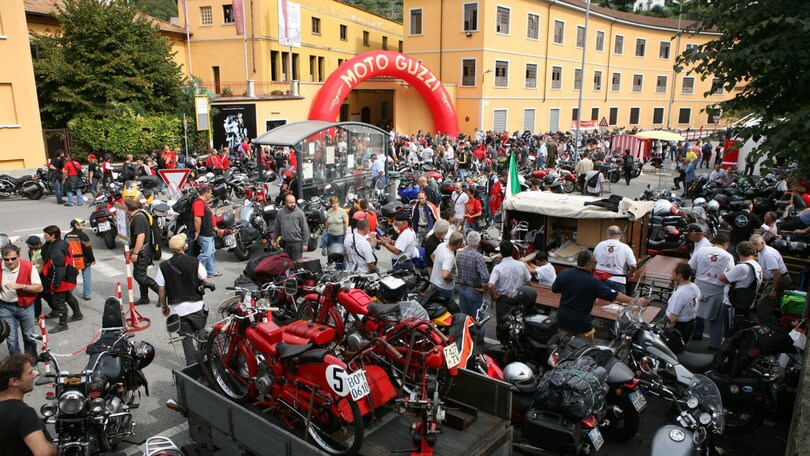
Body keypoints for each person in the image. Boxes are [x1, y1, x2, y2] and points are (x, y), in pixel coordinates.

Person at [552, 251, 648, 343]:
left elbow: (555, 289)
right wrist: (636, 301)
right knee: (583, 352)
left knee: (563, 348)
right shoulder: (593, 282)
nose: (595, 266)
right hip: (580, 324)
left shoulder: (564, 274)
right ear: (588, 265)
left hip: (562, 319)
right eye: (595, 263)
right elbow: (614, 295)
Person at [156, 234, 209, 365]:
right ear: (184, 247)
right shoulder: (194, 261)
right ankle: (206, 360)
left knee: (186, 339)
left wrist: (164, 306)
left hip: (178, 309)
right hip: (196, 305)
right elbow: (205, 279)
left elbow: (161, 289)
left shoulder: (163, 266)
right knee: (201, 333)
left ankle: (191, 367)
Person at [0, 354, 56, 456]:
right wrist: (52, 448)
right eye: (30, 373)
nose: (35, 375)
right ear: (14, 382)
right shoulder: (24, 414)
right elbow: (43, 453)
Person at [688, 233, 734, 349]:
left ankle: (686, 340)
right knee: (716, 320)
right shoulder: (728, 256)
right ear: (726, 244)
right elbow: (731, 275)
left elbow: (690, 267)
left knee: (691, 316)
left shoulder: (701, 251)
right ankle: (714, 344)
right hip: (717, 290)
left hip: (699, 287)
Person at [593, 225, 638, 339]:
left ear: (608, 234)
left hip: (599, 280)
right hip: (617, 280)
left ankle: (588, 327)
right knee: (616, 308)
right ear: (620, 235)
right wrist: (631, 273)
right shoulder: (625, 247)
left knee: (595, 304)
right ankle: (612, 334)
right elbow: (633, 265)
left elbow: (593, 260)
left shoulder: (600, 245)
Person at [0, 245, 42, 355]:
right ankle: (18, 367)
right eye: (6, 259)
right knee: (11, 340)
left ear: (19, 256)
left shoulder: (28, 266)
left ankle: (31, 364)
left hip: (25, 307)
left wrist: (21, 286)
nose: (9, 262)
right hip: (5, 307)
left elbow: (39, 287)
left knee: (29, 337)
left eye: (13, 258)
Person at [488, 241, 532, 340]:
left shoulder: (498, 268)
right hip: (519, 299)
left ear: (501, 253)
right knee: (519, 323)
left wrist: (493, 296)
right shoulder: (521, 265)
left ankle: (503, 345)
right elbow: (529, 282)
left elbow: (490, 285)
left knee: (503, 325)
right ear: (513, 251)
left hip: (504, 300)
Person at [41, 225, 81, 333]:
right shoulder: (60, 243)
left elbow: (59, 269)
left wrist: (55, 284)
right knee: (68, 296)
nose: (44, 236)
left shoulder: (56, 249)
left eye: (46, 235)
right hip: (67, 276)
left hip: (61, 279)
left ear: (53, 236)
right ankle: (77, 314)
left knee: (58, 301)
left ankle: (62, 324)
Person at [719, 241, 762, 333]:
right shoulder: (757, 265)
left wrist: (723, 273)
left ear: (739, 252)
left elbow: (724, 278)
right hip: (747, 303)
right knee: (740, 330)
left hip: (734, 304)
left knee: (731, 331)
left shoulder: (742, 267)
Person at [750, 234, 791, 325]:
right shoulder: (762, 251)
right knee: (765, 304)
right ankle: (766, 325)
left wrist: (774, 289)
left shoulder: (768, 254)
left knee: (763, 305)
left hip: (779, 279)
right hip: (773, 279)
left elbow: (777, 273)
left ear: (762, 242)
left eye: (755, 245)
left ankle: (765, 327)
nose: (754, 248)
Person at [125, 200, 160, 306]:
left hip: (142, 251)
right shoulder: (137, 215)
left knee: (139, 276)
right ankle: (144, 298)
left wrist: (135, 253)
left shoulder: (138, 218)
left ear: (127, 208)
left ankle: (163, 293)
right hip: (141, 249)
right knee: (141, 274)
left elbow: (141, 237)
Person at [456, 231, 490, 318]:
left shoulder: (460, 254)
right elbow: (485, 277)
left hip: (462, 289)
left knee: (465, 319)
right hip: (474, 290)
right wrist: (484, 288)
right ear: (478, 243)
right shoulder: (478, 257)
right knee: (477, 320)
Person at [665, 263, 700, 345]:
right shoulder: (694, 287)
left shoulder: (679, 294)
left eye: (673, 272)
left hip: (679, 327)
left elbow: (672, 319)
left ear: (679, 275)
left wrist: (666, 333)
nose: (671, 273)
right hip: (690, 324)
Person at [191, 186, 219, 277]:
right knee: (205, 254)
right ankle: (197, 273)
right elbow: (197, 219)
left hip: (208, 232)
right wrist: (198, 232)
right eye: (210, 193)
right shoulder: (199, 203)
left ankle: (211, 271)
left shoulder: (204, 203)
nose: (211, 195)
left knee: (211, 252)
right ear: (206, 194)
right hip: (204, 233)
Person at [64, 219, 95, 301]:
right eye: (82, 224)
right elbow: (88, 249)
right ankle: (87, 295)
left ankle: (68, 294)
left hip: (72, 260)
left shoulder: (66, 236)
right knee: (86, 277)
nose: (84, 226)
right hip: (84, 260)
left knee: (71, 278)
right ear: (76, 225)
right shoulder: (83, 235)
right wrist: (92, 259)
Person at [273, 193, 309, 261]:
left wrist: (305, 244)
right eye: (290, 202)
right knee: (286, 263)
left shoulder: (300, 213)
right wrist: (274, 240)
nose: (293, 204)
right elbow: (277, 228)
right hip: (285, 243)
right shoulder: (280, 213)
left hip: (297, 243)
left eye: (294, 202)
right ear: (286, 202)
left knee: (296, 264)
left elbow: (305, 229)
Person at [429, 232, 464, 301]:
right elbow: (445, 275)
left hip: (434, 283)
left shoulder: (441, 245)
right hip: (444, 288)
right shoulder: (449, 257)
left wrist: (438, 268)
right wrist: (451, 278)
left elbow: (432, 256)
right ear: (458, 243)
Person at [24, 237, 45, 319]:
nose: (27, 245)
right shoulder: (32, 251)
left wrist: (35, 276)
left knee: (37, 296)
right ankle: (55, 309)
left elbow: (41, 266)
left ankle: (37, 315)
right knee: (45, 295)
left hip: (39, 276)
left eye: (29, 244)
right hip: (36, 275)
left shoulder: (39, 253)